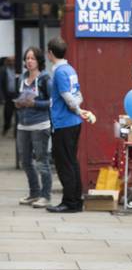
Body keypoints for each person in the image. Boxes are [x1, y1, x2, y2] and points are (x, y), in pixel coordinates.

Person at [46, 38, 88, 213]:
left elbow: (68, 99)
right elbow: (78, 95)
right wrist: (79, 109)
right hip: (72, 123)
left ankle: (70, 202)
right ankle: (75, 200)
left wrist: (78, 110)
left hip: (64, 123)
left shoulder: (60, 72)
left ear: (50, 53)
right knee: (71, 162)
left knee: (64, 163)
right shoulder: (70, 69)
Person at [15, 47, 53, 208]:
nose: (29, 61)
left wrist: (35, 103)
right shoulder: (22, 78)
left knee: (41, 161)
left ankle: (45, 195)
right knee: (25, 161)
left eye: (32, 58)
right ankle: (34, 193)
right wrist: (19, 103)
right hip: (23, 125)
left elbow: (52, 102)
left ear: (39, 61)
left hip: (40, 125)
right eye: (27, 58)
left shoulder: (45, 79)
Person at [1, 56, 17, 135]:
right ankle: (6, 127)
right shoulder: (3, 70)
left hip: (17, 94)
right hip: (8, 95)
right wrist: (2, 97)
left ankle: (16, 132)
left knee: (18, 113)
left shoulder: (18, 69)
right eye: (9, 61)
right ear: (6, 61)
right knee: (8, 113)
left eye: (13, 61)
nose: (11, 62)